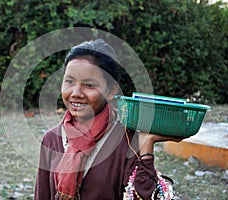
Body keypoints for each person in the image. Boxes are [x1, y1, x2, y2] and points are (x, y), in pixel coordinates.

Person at [34, 39, 183, 200]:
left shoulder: (127, 140)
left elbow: (143, 196)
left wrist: (146, 147)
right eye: (69, 81)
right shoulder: (52, 139)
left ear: (111, 90)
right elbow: (42, 195)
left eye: (89, 85)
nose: (76, 92)